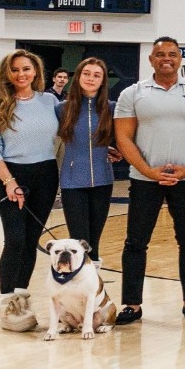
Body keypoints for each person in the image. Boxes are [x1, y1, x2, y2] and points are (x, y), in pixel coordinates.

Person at [114, 37, 185, 326]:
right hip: (144, 179)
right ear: (151, 59)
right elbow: (123, 137)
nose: (166, 58)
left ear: (180, 59)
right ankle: (132, 304)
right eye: (160, 54)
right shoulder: (132, 93)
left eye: (172, 54)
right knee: (136, 242)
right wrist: (148, 170)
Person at [0, 50, 61, 332]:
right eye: (15, 70)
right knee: (14, 239)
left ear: (36, 72)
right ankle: (5, 301)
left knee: (30, 240)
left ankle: (21, 297)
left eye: (26, 69)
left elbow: (71, 131)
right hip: (12, 175)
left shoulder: (49, 101)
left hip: (46, 174)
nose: (21, 74)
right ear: (7, 73)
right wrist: (9, 181)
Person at [55, 57, 118, 263]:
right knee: (79, 241)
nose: (91, 78)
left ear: (103, 81)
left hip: (103, 180)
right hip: (72, 182)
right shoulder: (62, 109)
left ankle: (93, 290)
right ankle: (77, 286)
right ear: (78, 76)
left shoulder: (111, 108)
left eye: (97, 75)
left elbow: (128, 139)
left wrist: (114, 150)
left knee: (94, 242)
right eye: (87, 73)